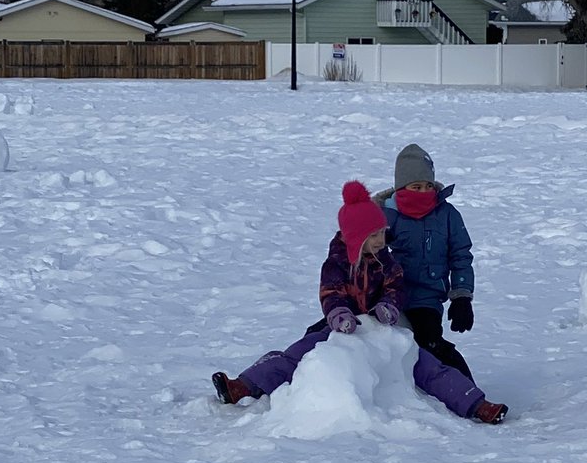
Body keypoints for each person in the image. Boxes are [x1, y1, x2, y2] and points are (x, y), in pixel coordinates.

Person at [211, 180, 507, 424]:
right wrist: (339, 313)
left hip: (380, 327)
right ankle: (243, 386)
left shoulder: (385, 260)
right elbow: (331, 292)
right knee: (296, 354)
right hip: (344, 327)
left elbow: (395, 286)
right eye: (375, 234)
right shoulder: (337, 263)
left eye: (382, 233)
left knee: (426, 365)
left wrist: (389, 307)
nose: (382, 239)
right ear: (356, 237)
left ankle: (476, 404)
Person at [374, 143, 476, 380]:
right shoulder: (385, 215)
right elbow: (363, 251)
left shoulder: (447, 215)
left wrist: (461, 296)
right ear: (401, 187)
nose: (422, 192)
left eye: (427, 186)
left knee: (428, 342)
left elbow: (460, 255)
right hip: (387, 294)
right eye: (415, 186)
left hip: (426, 298)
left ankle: (468, 392)